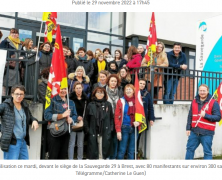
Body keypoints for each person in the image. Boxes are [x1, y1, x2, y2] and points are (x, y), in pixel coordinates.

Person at [0, 85, 39, 159]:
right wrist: (3, 128)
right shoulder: (5, 106)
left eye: (21, 94)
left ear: (24, 95)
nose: (19, 96)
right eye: (17, 94)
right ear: (12, 94)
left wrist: (34, 120)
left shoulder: (24, 105)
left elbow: (29, 116)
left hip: (22, 141)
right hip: (12, 142)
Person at [185, 84, 221, 160]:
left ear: (207, 91)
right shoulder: (194, 101)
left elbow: (218, 117)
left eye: (204, 91)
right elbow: (190, 116)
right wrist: (188, 128)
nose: (202, 92)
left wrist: (206, 115)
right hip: (194, 132)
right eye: (200, 90)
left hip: (207, 133)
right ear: (198, 91)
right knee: (189, 150)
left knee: (207, 152)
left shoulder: (213, 102)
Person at [44, 87, 77, 159]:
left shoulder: (71, 102)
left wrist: (71, 120)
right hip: (54, 132)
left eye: (65, 89)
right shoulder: (51, 100)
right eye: (61, 89)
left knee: (62, 157)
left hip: (66, 132)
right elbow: (47, 116)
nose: (63, 91)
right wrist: (62, 115)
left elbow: (75, 115)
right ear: (57, 89)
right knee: (53, 157)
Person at [84, 87, 114, 159]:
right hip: (93, 131)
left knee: (102, 152)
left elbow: (111, 118)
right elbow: (86, 119)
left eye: (102, 93)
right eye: (98, 92)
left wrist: (110, 129)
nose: (100, 94)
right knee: (93, 151)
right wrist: (88, 130)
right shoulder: (90, 105)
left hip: (105, 131)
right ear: (95, 94)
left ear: (104, 94)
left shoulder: (108, 105)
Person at [114, 84, 140, 159]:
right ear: (124, 91)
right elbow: (117, 117)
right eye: (127, 89)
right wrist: (118, 131)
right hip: (124, 128)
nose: (128, 91)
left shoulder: (137, 101)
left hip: (134, 128)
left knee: (131, 151)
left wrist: (139, 122)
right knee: (122, 150)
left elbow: (142, 114)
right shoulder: (121, 101)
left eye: (130, 89)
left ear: (133, 91)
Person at [69, 82, 89, 160]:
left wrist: (83, 118)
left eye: (80, 88)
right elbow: (69, 110)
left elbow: (87, 111)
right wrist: (76, 117)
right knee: (72, 143)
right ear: (74, 89)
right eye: (77, 88)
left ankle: (79, 159)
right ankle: (71, 160)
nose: (78, 90)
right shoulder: (70, 99)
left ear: (82, 88)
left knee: (80, 144)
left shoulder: (86, 99)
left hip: (82, 123)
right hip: (73, 122)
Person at [0, 28, 23, 95]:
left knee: (14, 87)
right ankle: (3, 102)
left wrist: (22, 57)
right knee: (5, 86)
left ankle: (11, 102)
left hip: (17, 67)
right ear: (10, 34)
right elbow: (1, 52)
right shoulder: (5, 42)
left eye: (15, 33)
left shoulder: (20, 44)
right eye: (12, 33)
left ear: (18, 35)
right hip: (7, 67)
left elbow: (23, 54)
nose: (14, 34)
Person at [106, 74, 123, 159]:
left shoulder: (120, 91)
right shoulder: (103, 91)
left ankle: (113, 158)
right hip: (106, 119)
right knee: (107, 139)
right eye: (112, 81)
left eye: (115, 81)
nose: (113, 83)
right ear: (108, 81)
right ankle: (107, 157)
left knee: (115, 140)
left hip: (117, 119)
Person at [137, 79, 155, 154]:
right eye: (140, 83)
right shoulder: (134, 92)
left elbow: (150, 107)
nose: (142, 85)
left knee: (138, 137)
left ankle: (136, 152)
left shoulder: (147, 94)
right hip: (132, 119)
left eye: (143, 84)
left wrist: (151, 118)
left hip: (142, 119)